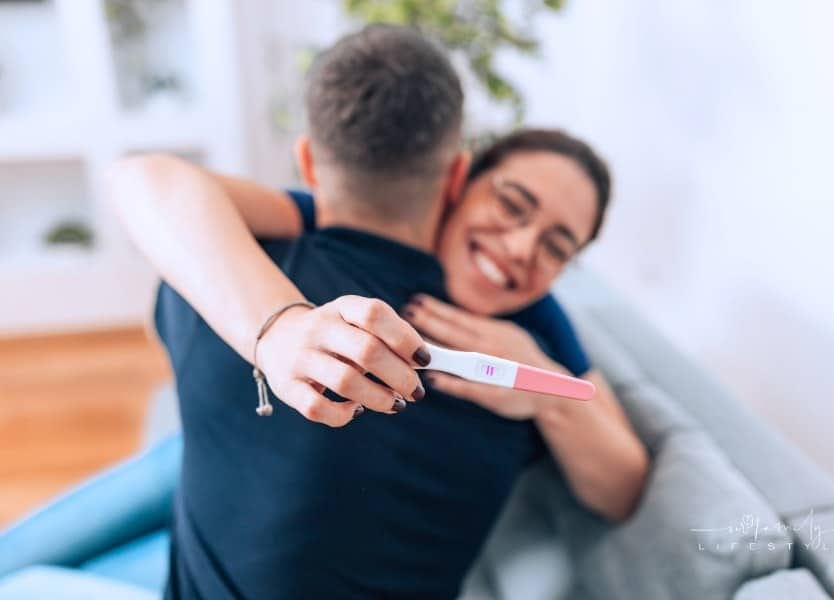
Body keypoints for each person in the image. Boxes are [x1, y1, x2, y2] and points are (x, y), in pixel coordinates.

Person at [106, 25, 646, 599]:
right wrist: (279, 327)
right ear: (458, 181)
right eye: (512, 205)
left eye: (557, 246)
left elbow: (622, 480)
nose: (521, 248)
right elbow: (148, 181)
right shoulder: (290, 231)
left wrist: (541, 387)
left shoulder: (536, 329)